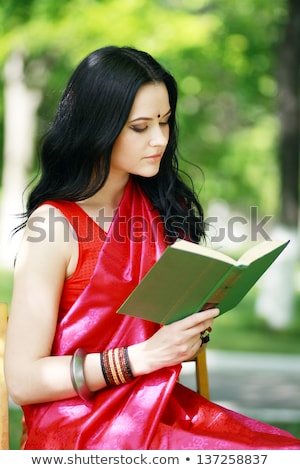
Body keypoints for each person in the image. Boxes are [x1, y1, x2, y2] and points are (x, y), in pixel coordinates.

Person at [4, 45, 300, 450]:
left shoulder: (162, 210)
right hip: (81, 429)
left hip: (159, 407)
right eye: (140, 127)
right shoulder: (54, 225)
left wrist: (190, 327)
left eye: (164, 122)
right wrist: (141, 358)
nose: (159, 139)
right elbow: (21, 382)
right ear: (98, 126)